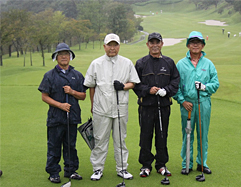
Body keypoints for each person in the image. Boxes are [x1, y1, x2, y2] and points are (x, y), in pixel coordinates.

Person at [83, 33, 140, 181]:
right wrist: (92, 105)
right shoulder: (96, 63)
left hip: (120, 107)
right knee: (99, 139)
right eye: (110, 45)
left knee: (120, 139)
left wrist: (123, 86)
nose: (112, 48)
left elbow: (133, 83)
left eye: (115, 45)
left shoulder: (126, 63)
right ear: (104, 46)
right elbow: (91, 86)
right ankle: (97, 169)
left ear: (119, 46)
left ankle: (122, 168)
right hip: (101, 108)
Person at [38, 43, 87, 183]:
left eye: (66, 54)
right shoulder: (49, 75)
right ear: (56, 57)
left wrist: (72, 92)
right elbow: (44, 96)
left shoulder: (77, 75)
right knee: (54, 146)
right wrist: (60, 105)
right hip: (55, 118)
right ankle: (53, 172)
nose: (64, 57)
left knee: (70, 145)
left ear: (70, 57)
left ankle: (71, 171)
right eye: (61, 54)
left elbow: (83, 96)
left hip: (72, 117)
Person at [133, 32, 180, 177]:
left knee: (162, 135)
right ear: (147, 44)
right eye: (152, 43)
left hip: (163, 106)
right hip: (146, 106)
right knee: (145, 136)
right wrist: (148, 90)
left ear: (162, 44)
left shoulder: (169, 62)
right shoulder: (141, 63)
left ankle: (161, 164)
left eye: (157, 42)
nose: (155, 45)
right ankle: (146, 165)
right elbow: (135, 85)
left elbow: (175, 82)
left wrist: (167, 91)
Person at [173, 31, 219, 175]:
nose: (195, 45)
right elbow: (175, 86)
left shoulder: (208, 64)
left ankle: (201, 163)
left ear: (202, 45)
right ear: (188, 45)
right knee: (187, 134)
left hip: (203, 103)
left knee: (202, 134)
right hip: (187, 105)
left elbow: (215, 83)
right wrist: (182, 101)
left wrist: (205, 87)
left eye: (198, 42)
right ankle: (186, 163)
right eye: (192, 42)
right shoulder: (181, 64)